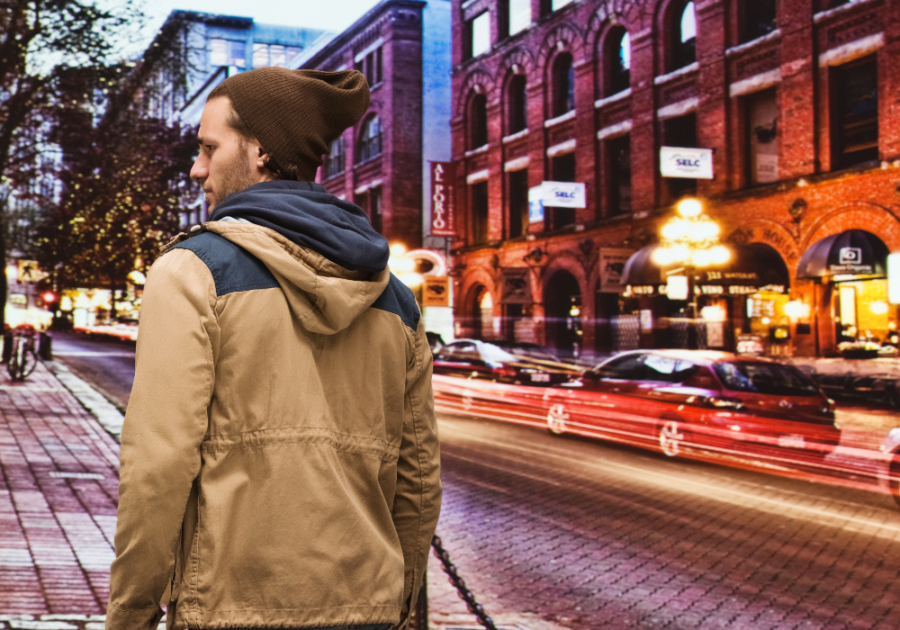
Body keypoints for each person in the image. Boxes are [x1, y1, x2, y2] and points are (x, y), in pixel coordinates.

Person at [106, 68, 441, 630]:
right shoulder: (396, 299)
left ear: (259, 151)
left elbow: (157, 467)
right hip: (367, 608)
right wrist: (399, 605)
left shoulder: (192, 273)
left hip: (229, 607)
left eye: (209, 148)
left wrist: (132, 613)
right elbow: (419, 478)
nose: (197, 169)